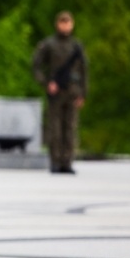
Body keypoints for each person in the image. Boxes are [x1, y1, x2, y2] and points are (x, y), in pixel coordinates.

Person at [32, 11, 88, 174]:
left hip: (72, 91)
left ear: (72, 25)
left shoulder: (76, 46)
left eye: (68, 23)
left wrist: (83, 93)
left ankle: (67, 162)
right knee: (55, 129)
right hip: (56, 92)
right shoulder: (49, 44)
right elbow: (36, 66)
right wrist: (46, 83)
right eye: (63, 23)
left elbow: (84, 71)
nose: (65, 26)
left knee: (70, 128)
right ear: (58, 24)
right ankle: (55, 161)